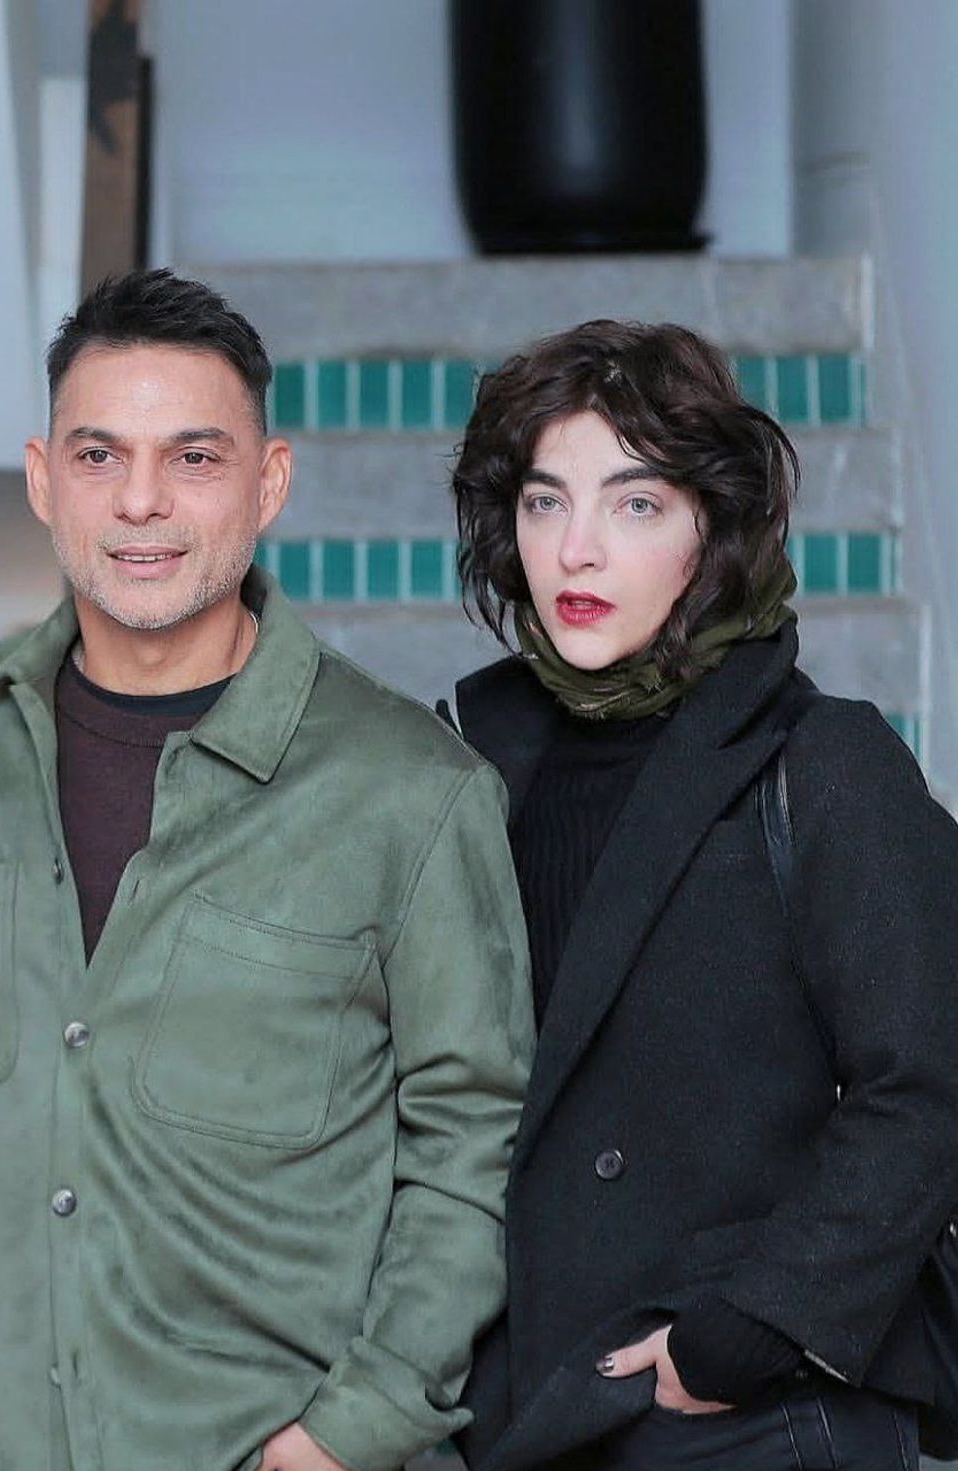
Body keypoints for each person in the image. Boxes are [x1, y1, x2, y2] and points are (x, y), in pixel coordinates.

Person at [0, 269, 534, 1471]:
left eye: (194, 457)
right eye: (99, 455)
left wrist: (361, 1423)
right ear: (42, 479)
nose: (140, 502)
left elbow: (471, 1142)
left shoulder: (412, 792)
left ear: (269, 481)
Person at [444, 320, 958, 1471]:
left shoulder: (821, 761)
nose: (577, 550)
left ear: (710, 530)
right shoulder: (469, 762)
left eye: (635, 504)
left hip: (749, 1412)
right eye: (543, 501)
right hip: (537, 1405)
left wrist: (755, 1325)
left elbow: (929, 1080)